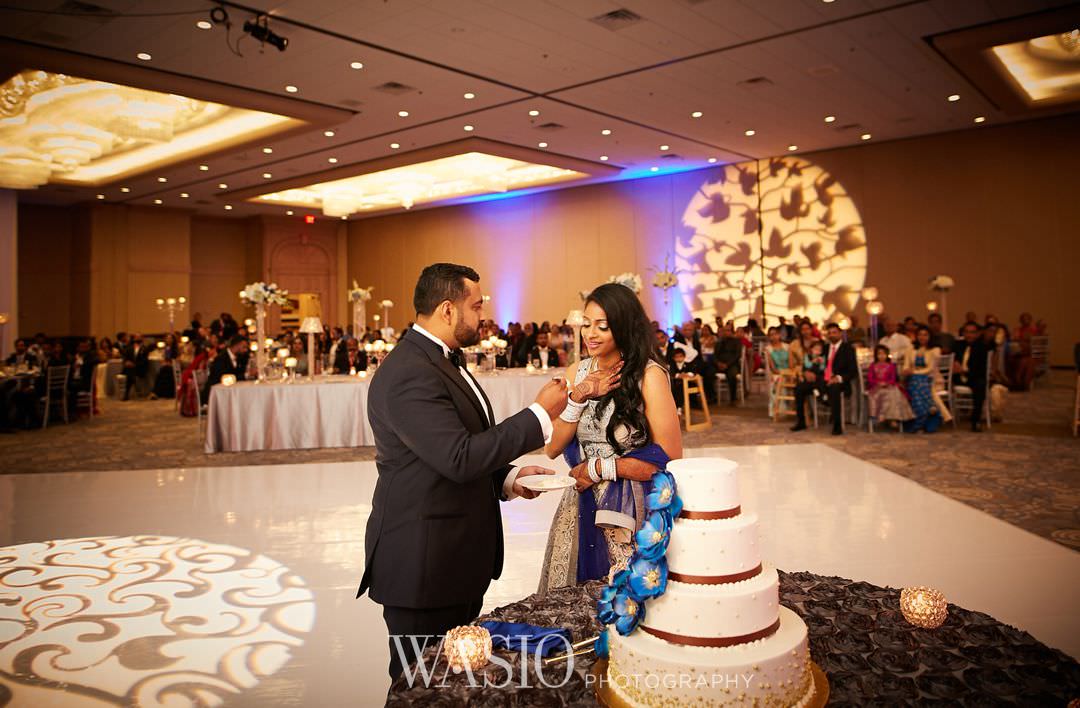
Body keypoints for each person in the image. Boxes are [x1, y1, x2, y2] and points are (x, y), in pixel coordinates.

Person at [358, 263, 566, 681]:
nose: (482, 315)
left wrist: (508, 478)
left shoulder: (439, 360)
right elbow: (457, 457)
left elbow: (453, 449)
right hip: (423, 567)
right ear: (448, 309)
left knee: (452, 686)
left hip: (452, 561)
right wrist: (540, 414)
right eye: (477, 305)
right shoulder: (409, 372)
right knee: (416, 686)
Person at [538, 281, 681, 593]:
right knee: (575, 599)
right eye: (586, 324)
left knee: (624, 598)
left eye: (602, 326)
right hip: (579, 498)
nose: (590, 334)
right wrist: (578, 397)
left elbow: (671, 456)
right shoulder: (578, 370)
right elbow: (552, 448)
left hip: (630, 502)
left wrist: (600, 469)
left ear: (623, 326)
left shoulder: (649, 375)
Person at [792, 323, 857, 435]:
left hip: (837, 381)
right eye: (829, 333)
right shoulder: (824, 348)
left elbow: (852, 371)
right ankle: (801, 422)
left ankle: (837, 425)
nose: (832, 335)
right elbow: (812, 360)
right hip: (820, 379)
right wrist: (806, 372)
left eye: (834, 332)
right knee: (799, 388)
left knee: (834, 388)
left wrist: (838, 377)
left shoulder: (848, 349)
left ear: (840, 333)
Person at [902, 325, 950, 433]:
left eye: (925, 335)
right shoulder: (911, 349)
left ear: (930, 336)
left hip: (932, 379)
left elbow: (930, 369)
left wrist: (914, 372)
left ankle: (920, 423)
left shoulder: (935, 349)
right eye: (920, 335)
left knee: (917, 381)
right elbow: (906, 365)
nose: (922, 337)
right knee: (916, 381)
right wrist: (907, 370)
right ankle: (929, 408)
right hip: (914, 380)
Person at [952, 322, 989, 431]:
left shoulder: (982, 347)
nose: (969, 335)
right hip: (957, 377)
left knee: (980, 385)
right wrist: (954, 364)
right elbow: (953, 359)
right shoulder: (958, 345)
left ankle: (975, 420)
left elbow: (981, 370)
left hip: (974, 377)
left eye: (972, 332)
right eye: (967, 332)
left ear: (977, 334)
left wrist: (964, 371)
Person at [866, 345, 913, 427]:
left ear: (887, 354)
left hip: (889, 386)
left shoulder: (891, 366)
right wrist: (878, 383)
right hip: (876, 387)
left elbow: (893, 378)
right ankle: (882, 416)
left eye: (884, 354)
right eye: (879, 354)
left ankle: (893, 418)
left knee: (894, 393)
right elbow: (870, 378)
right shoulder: (873, 366)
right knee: (882, 394)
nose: (881, 356)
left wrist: (887, 383)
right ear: (876, 355)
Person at [764, 326, 791, 417]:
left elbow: (791, 362)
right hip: (777, 372)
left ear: (779, 335)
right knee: (778, 380)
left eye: (775, 334)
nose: (774, 336)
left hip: (789, 371)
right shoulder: (768, 349)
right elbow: (772, 367)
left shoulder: (787, 347)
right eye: (771, 335)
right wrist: (781, 373)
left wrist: (789, 373)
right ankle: (778, 410)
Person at [714, 322, 743, 405]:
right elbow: (714, 355)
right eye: (725, 331)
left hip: (731, 364)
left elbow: (737, 355)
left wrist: (727, 364)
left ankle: (733, 398)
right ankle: (712, 397)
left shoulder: (737, 341)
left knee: (732, 375)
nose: (726, 332)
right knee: (708, 371)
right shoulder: (719, 342)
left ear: (732, 331)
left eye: (728, 330)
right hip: (719, 364)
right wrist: (718, 363)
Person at [121, 334, 150, 401]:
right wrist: (126, 362)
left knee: (130, 372)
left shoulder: (145, 348)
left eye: (139, 337)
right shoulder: (129, 348)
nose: (137, 338)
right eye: (136, 337)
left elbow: (145, 361)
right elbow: (124, 358)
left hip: (140, 368)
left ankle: (126, 394)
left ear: (142, 339)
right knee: (130, 371)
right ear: (134, 339)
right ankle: (131, 391)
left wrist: (135, 364)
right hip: (129, 368)